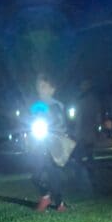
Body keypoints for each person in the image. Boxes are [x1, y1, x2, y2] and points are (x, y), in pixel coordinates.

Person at [31, 73, 71, 213]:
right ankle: (46, 196)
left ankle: (60, 203)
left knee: (54, 174)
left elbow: (61, 124)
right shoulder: (36, 105)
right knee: (36, 175)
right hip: (40, 144)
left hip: (54, 145)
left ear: (52, 89)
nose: (40, 89)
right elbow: (32, 120)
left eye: (44, 86)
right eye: (39, 87)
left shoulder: (56, 106)